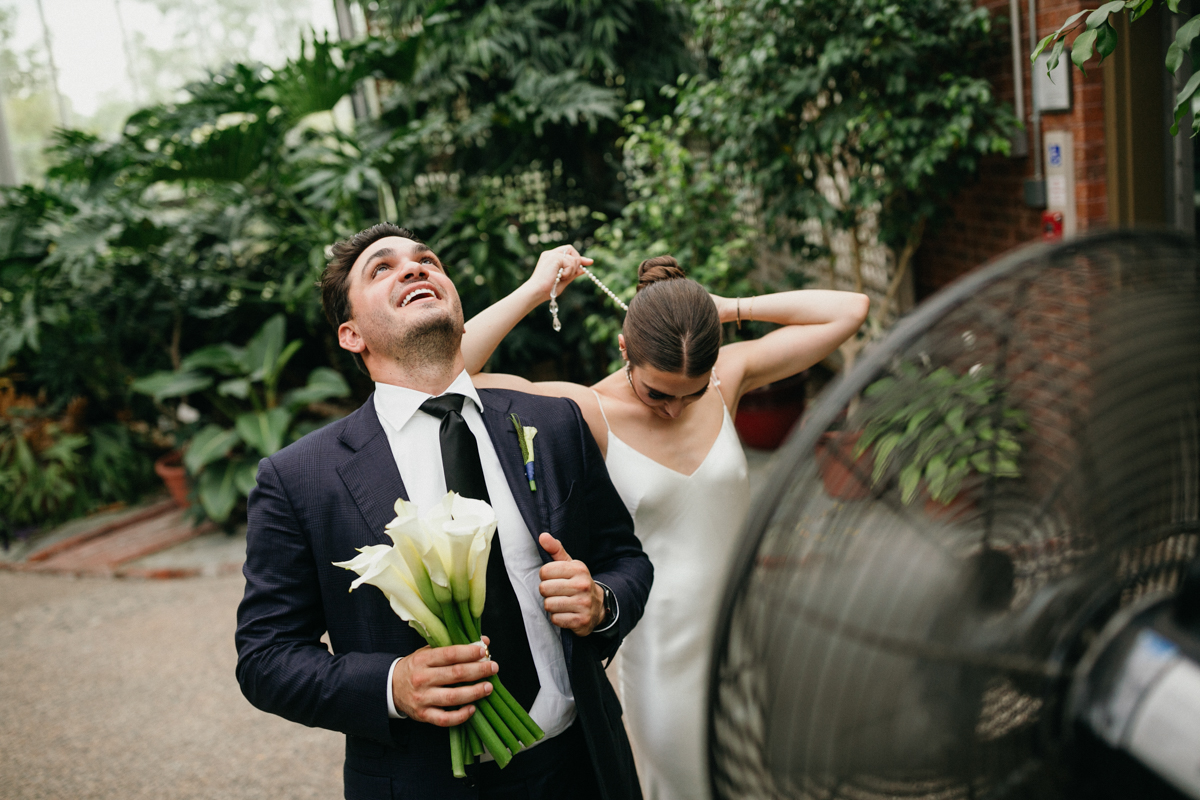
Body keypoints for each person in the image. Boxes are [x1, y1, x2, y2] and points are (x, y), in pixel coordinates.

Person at [234, 223, 653, 800]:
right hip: (421, 781)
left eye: (426, 259)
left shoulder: (554, 424)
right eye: (382, 269)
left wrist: (600, 601)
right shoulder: (300, 478)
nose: (414, 268)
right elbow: (266, 657)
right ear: (351, 335)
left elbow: (626, 560)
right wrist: (392, 684)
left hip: (579, 764)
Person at [461, 247, 870, 800]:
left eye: (690, 393)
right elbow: (453, 371)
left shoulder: (727, 376)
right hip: (663, 649)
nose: (674, 408)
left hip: (750, 630)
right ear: (625, 349)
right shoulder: (587, 409)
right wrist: (536, 288)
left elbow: (849, 308)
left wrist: (722, 309)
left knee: (761, 782)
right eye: (657, 392)